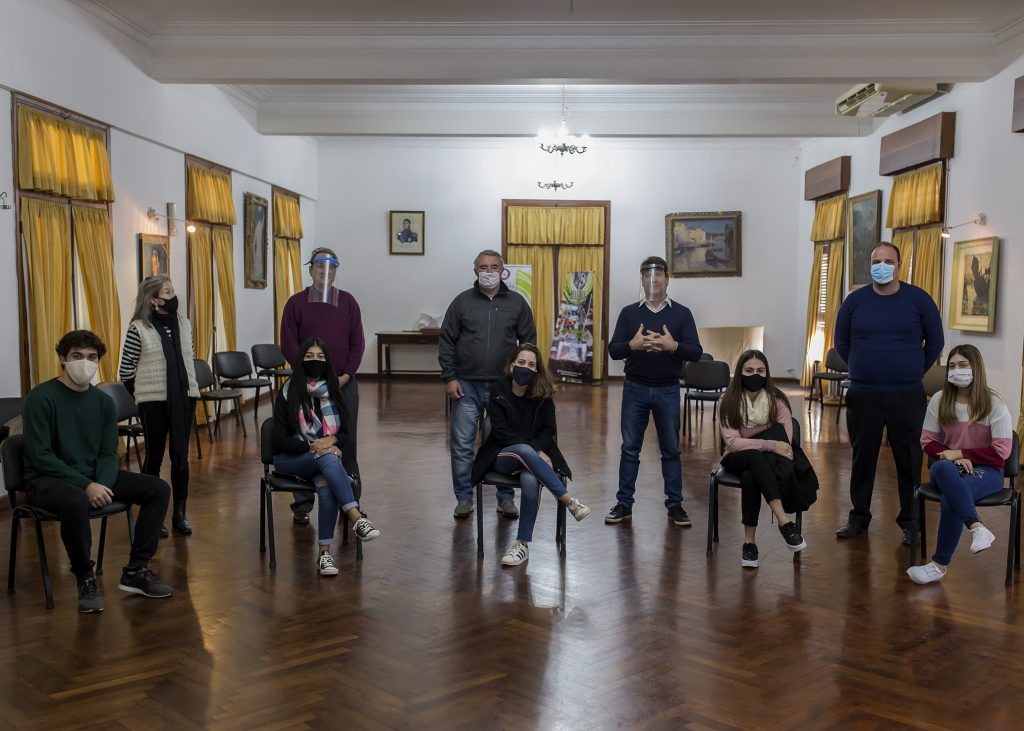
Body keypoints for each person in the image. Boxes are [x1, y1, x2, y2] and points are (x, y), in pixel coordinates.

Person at [22, 330, 173, 613]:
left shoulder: (103, 402)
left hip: (92, 475)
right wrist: (86, 485)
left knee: (158, 488)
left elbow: (107, 452)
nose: (85, 362)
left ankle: (136, 570)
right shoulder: (40, 398)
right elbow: (40, 456)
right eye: (77, 356)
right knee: (76, 500)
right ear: (62, 359)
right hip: (47, 480)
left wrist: (100, 483)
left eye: (92, 357)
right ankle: (85, 578)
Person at [834, 242, 944, 544]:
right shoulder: (854, 301)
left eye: (888, 261)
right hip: (863, 394)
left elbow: (935, 342)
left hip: (907, 395)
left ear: (899, 266)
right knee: (862, 460)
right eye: (876, 261)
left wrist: (911, 369)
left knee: (909, 462)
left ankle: (910, 522)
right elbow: (841, 342)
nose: (882, 266)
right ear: (870, 265)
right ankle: (859, 517)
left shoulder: (919, 300)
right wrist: (863, 364)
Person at [471, 344, 591, 566]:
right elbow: (500, 431)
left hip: (532, 460)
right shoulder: (499, 389)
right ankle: (567, 499)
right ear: (512, 365)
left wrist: (535, 449)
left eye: (531, 364)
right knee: (524, 452)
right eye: (521, 362)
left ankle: (522, 545)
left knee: (530, 478)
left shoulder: (543, 394)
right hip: (501, 455)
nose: (526, 367)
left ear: (537, 370)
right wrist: (533, 449)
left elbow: (549, 431)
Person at [605, 256, 703, 527]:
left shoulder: (682, 314)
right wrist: (633, 345)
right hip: (634, 388)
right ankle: (624, 503)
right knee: (630, 449)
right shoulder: (629, 312)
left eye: (659, 274)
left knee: (671, 449)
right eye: (648, 275)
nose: (654, 279)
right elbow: (614, 350)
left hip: (668, 390)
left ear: (667, 279)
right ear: (642, 280)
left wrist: (673, 347)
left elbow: (696, 352)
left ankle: (675, 505)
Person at [439, 249, 536, 520]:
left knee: (506, 443)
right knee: (462, 444)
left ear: (502, 270)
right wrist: (450, 377)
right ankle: (464, 498)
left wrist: (522, 379)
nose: (489, 272)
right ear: (475, 271)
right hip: (466, 385)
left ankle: (505, 499)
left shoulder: (517, 303)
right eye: (484, 267)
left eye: (494, 267)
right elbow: (446, 341)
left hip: (504, 387)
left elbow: (528, 342)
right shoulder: (461, 302)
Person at [272, 338, 380, 576]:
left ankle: (324, 555)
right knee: (327, 456)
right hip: (289, 459)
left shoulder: (333, 391)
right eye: (309, 356)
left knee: (325, 484)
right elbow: (277, 440)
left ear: (327, 362)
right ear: (300, 360)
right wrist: (313, 446)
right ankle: (354, 515)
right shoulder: (288, 392)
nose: (314, 362)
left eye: (320, 358)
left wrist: (332, 441)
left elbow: (345, 434)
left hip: (323, 460)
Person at [908, 345, 1013, 584]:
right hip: (948, 468)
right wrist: (953, 456)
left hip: (987, 472)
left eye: (963, 365)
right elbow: (927, 442)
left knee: (951, 497)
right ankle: (977, 527)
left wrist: (961, 452)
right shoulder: (940, 399)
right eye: (953, 366)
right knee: (942, 467)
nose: (957, 371)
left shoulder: (994, 403)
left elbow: (1002, 452)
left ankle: (938, 565)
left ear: (976, 368)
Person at [280, 247, 365, 525]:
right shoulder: (296, 303)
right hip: (304, 385)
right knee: (303, 440)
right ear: (310, 269)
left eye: (330, 267)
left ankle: (350, 499)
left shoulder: (349, 302)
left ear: (335, 271)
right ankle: (302, 503)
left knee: (345, 439)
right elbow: (288, 342)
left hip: (342, 383)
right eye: (318, 266)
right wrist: (305, 376)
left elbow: (357, 343)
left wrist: (346, 375)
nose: (324, 272)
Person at [119, 276, 200, 537]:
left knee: (180, 458)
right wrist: (143, 394)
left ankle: (179, 514)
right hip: (152, 401)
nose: (173, 295)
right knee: (154, 456)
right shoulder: (138, 328)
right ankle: (152, 515)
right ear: (153, 299)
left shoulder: (184, 324)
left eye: (173, 290)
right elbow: (126, 370)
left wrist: (187, 389)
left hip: (185, 397)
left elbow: (189, 359)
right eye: (167, 291)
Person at [719, 350, 810, 568]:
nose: (755, 374)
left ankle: (749, 544)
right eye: (749, 370)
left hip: (765, 463)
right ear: (740, 372)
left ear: (767, 373)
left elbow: (785, 441)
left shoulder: (778, 400)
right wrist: (768, 440)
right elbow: (732, 444)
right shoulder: (728, 400)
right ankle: (784, 522)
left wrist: (747, 438)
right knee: (751, 456)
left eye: (760, 370)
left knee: (752, 476)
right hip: (735, 459)